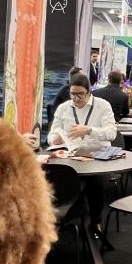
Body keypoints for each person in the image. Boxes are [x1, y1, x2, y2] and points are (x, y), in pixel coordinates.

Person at [49, 74, 119, 243]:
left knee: (96, 184)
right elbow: (51, 134)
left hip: (96, 156)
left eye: (80, 94)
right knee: (57, 181)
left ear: (89, 92)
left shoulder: (102, 106)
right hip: (70, 157)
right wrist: (54, 139)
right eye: (72, 94)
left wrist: (89, 130)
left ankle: (95, 222)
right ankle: (62, 220)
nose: (76, 98)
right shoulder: (64, 108)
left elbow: (111, 133)